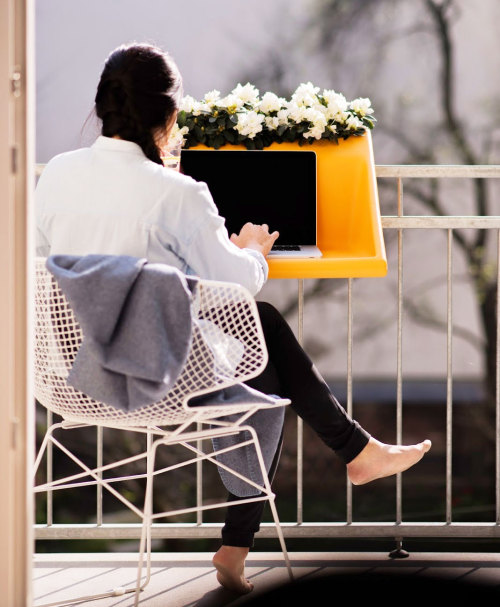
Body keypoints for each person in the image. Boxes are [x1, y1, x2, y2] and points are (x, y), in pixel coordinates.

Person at [35, 42, 431, 595]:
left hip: (69, 379)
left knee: (261, 344)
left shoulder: (56, 174)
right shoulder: (177, 194)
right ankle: (339, 464)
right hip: (156, 386)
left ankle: (272, 518)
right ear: (171, 117)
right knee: (262, 332)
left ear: (103, 107)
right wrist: (250, 250)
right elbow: (237, 284)